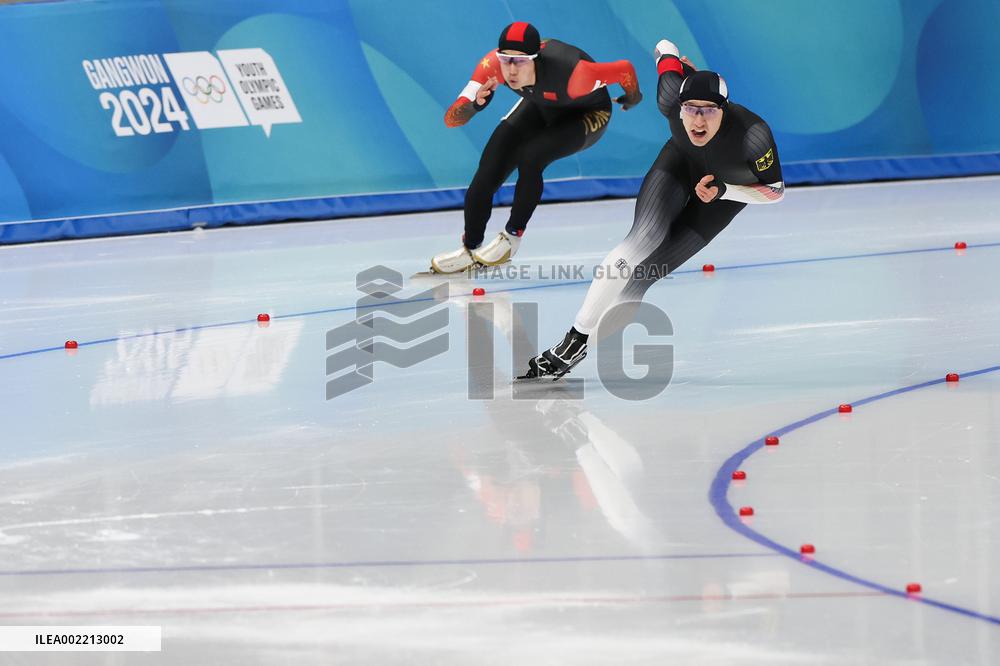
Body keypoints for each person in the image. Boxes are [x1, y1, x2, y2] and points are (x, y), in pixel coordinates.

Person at [522, 39, 784, 379]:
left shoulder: (753, 135)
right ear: (679, 105)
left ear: (726, 109)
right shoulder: (669, 96)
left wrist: (725, 190)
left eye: (709, 110)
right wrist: (676, 63)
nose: (698, 120)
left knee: (644, 276)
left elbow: (775, 192)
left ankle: (580, 348)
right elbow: (663, 46)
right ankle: (575, 339)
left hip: (726, 194)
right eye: (691, 109)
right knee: (643, 238)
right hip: (679, 164)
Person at [430, 21, 642, 274]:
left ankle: (512, 237)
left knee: (531, 157)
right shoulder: (491, 67)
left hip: (587, 113)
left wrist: (632, 97)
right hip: (540, 106)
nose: (511, 69)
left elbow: (623, 69)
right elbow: (452, 119)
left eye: (520, 61)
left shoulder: (576, 74)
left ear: (536, 59)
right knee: (486, 173)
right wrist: (474, 105)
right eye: (506, 59)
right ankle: (470, 247)